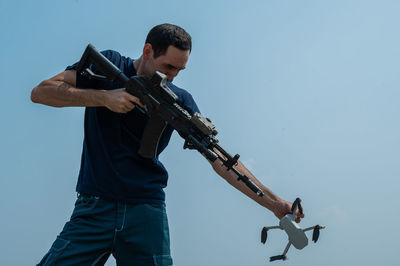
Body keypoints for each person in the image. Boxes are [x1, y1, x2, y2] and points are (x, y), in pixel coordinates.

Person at [31, 23, 304, 266]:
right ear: (148, 51)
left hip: (146, 213)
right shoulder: (110, 65)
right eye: (169, 67)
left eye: (180, 69)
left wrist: (273, 203)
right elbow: (41, 92)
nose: (173, 76)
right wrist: (104, 98)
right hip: (94, 207)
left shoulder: (180, 100)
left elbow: (220, 159)